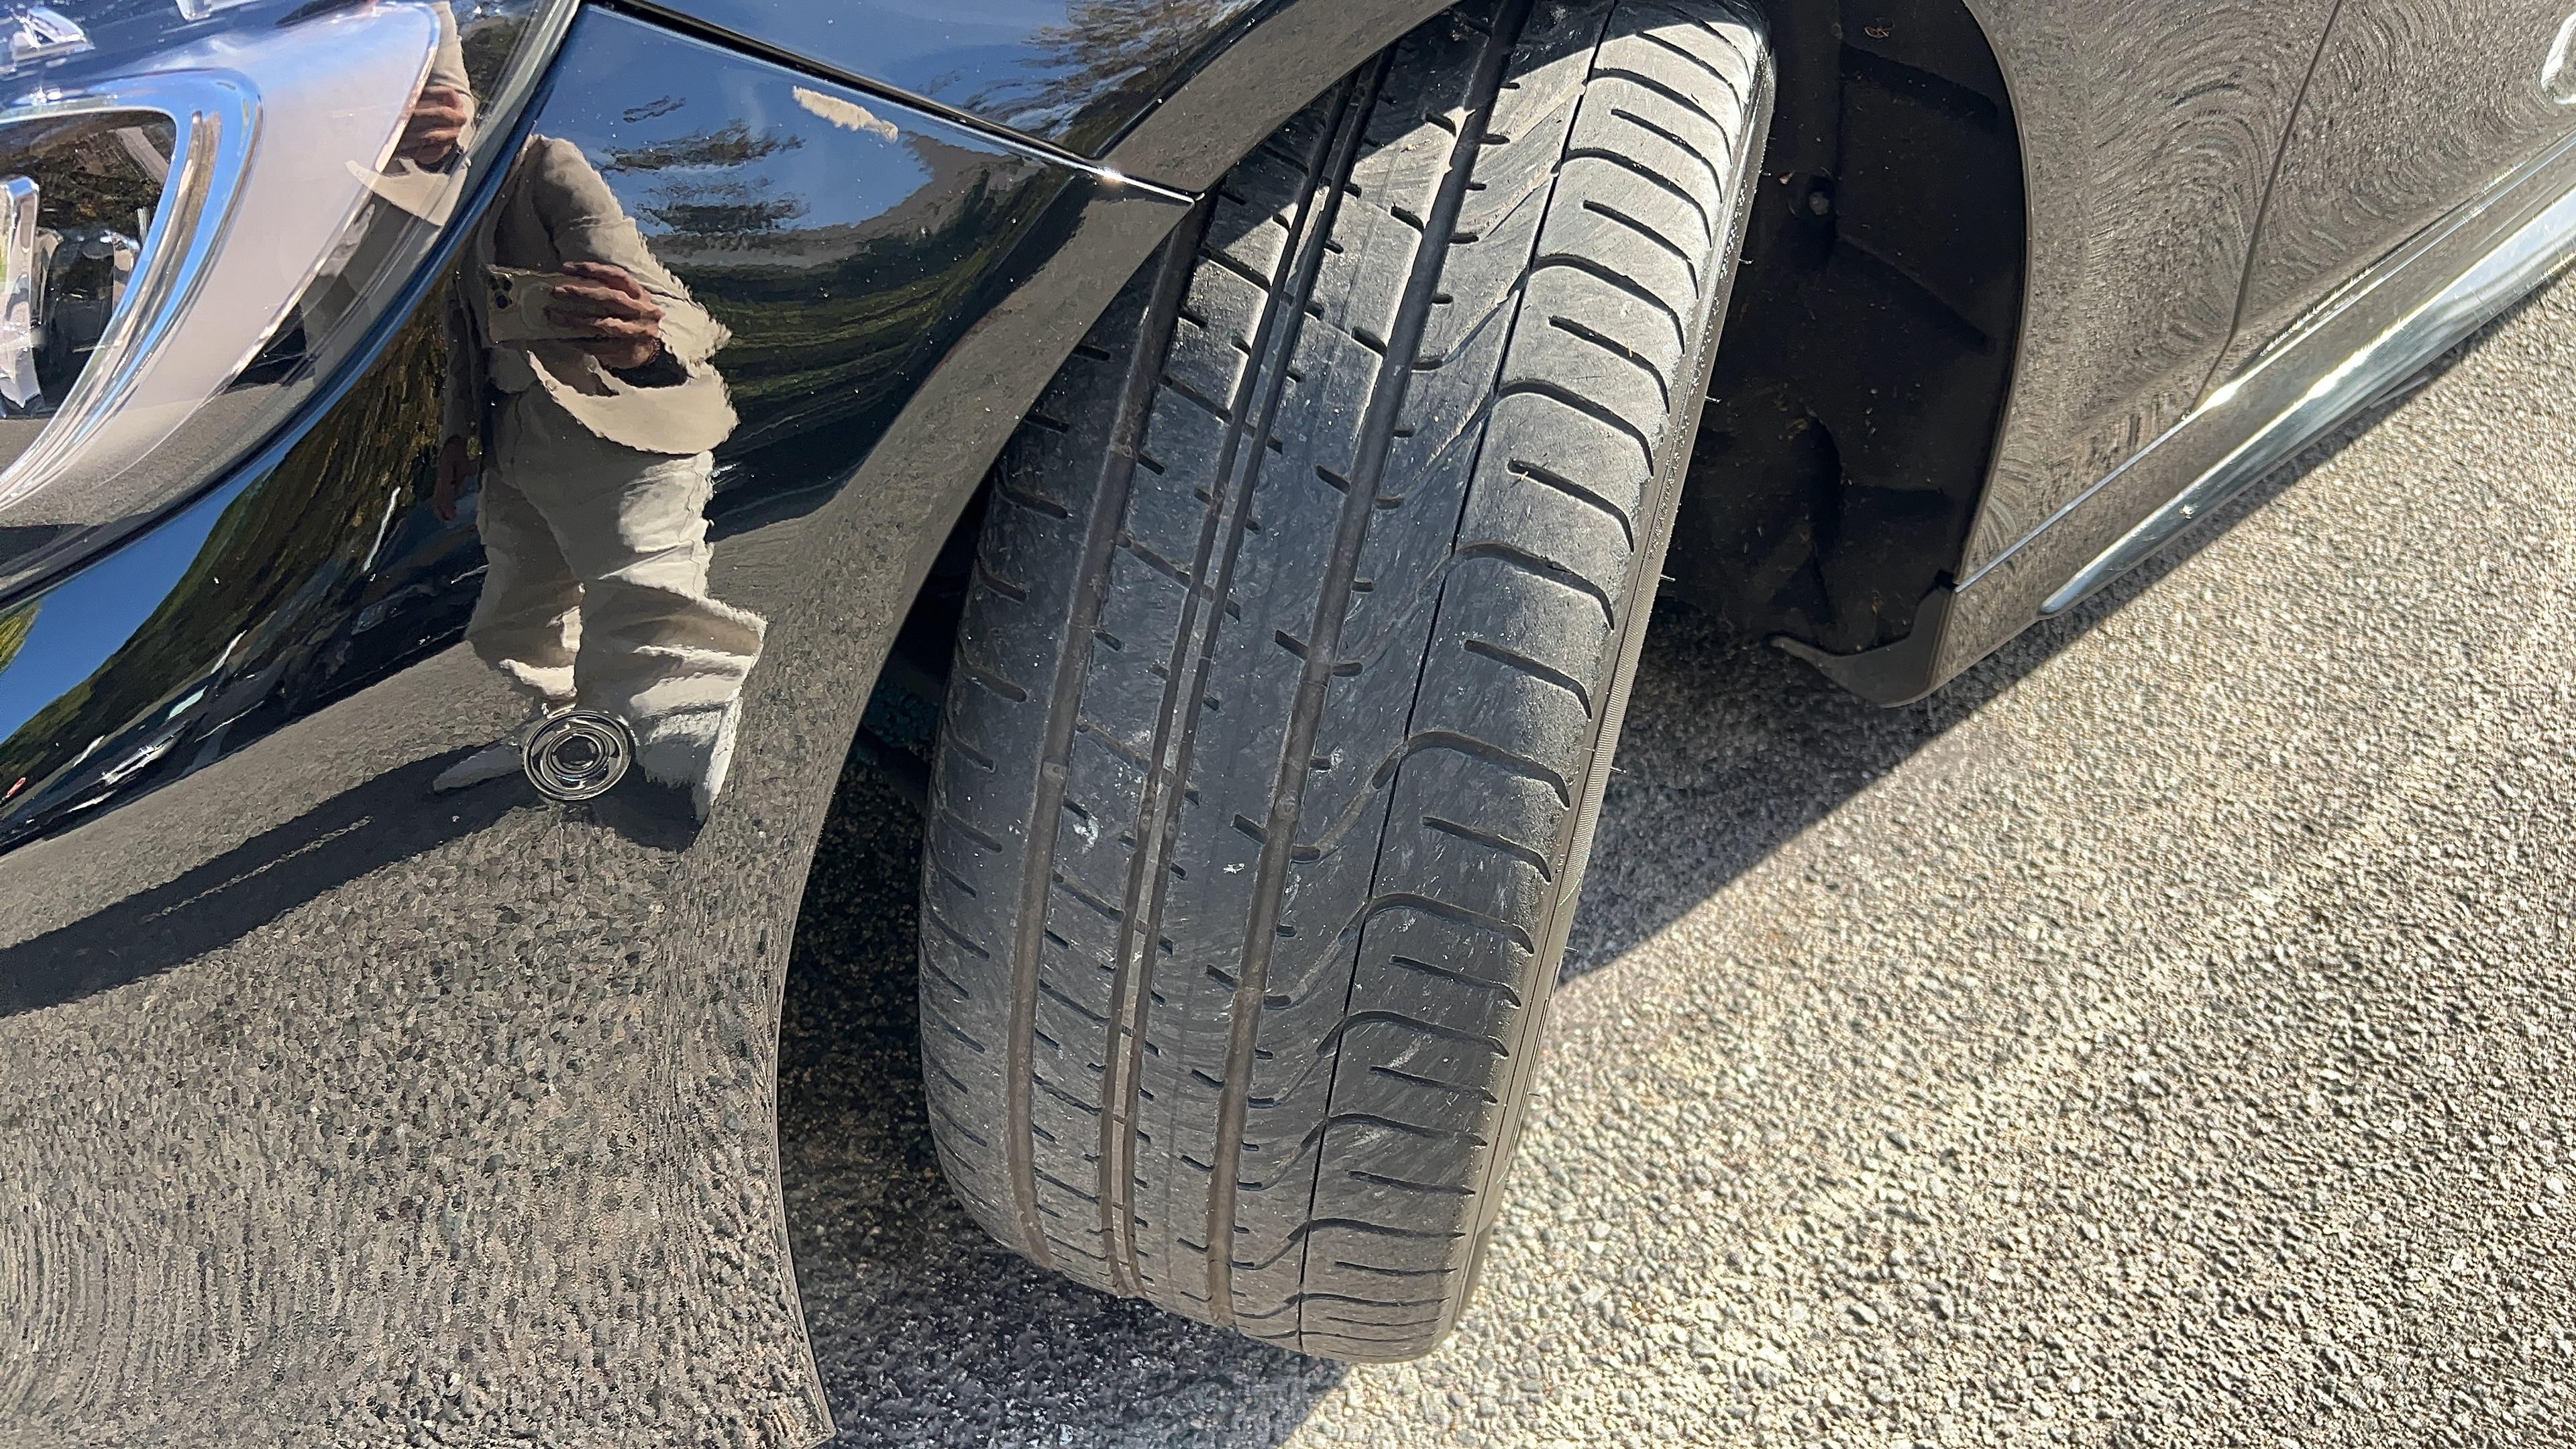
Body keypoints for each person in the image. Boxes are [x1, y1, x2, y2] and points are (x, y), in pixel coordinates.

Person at [428, 131, 765, 821]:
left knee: (638, 577)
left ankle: (689, 719)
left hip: (607, 411)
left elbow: (654, 291)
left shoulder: (543, 164)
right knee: (520, 602)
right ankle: (568, 717)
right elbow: (465, 338)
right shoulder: (446, 206)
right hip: (512, 431)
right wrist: (456, 437)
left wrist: (648, 346)